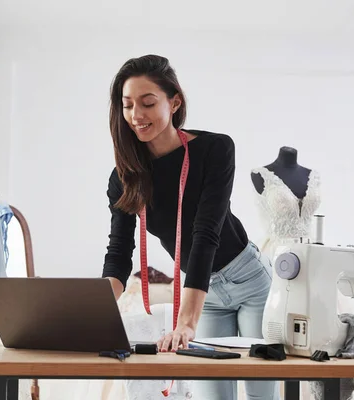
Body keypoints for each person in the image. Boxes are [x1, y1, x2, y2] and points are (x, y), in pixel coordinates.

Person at [101, 54, 278, 400]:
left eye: (148, 103)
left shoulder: (215, 149)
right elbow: (119, 255)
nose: (137, 115)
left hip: (249, 280)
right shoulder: (125, 179)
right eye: (128, 105)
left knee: (260, 394)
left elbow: (205, 233)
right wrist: (91, 315)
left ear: (174, 101)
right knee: (214, 397)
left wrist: (186, 322)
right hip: (205, 294)